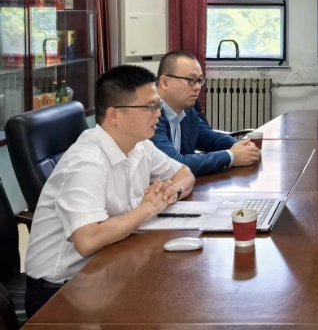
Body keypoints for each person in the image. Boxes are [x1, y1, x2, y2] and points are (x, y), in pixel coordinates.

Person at [25, 65, 195, 317]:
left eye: (157, 105)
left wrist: (171, 192)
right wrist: (149, 207)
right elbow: (88, 240)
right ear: (114, 115)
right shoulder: (87, 162)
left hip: (108, 267)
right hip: (61, 290)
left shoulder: (140, 146)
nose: (158, 114)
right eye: (150, 107)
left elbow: (185, 174)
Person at [152, 51, 260, 175]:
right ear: (165, 82)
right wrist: (231, 156)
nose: (198, 87)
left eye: (199, 80)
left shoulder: (186, 110)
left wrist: (242, 146)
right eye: (191, 80)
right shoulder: (149, 114)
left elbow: (209, 138)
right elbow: (175, 164)